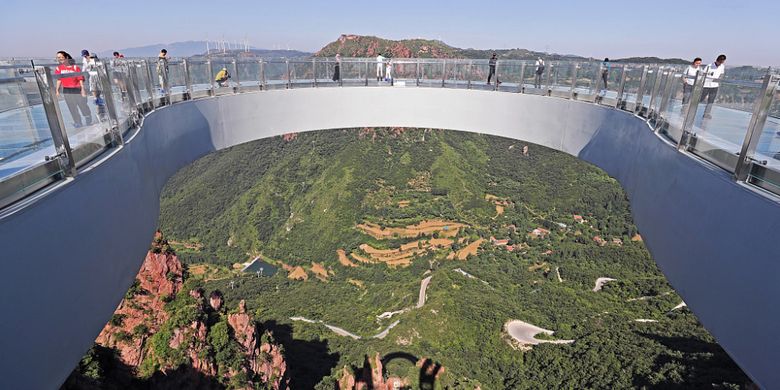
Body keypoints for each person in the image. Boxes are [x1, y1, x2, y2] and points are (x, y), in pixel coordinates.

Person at [54, 51, 92, 127]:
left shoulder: (75, 67)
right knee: (72, 107)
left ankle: (87, 116)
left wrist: (82, 89)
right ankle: (78, 122)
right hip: (67, 90)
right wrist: (57, 90)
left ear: (66, 57)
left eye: (61, 57)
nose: (60, 59)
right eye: (58, 57)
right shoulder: (58, 68)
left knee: (82, 105)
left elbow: (80, 79)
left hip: (77, 89)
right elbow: (59, 80)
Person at [701, 54, 726, 119]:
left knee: (711, 100)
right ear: (717, 60)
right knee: (701, 98)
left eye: (722, 62)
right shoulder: (709, 66)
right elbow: (703, 74)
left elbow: (721, 74)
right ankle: (690, 108)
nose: (720, 63)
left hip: (715, 86)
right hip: (706, 85)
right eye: (720, 62)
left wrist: (719, 79)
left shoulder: (722, 66)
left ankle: (706, 113)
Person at [84, 53, 107, 120]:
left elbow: (104, 72)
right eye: (90, 57)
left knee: (101, 97)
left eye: (93, 57)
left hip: (100, 80)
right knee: (96, 98)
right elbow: (87, 71)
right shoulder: (89, 64)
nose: (92, 59)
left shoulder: (100, 63)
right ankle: (99, 113)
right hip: (93, 81)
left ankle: (103, 112)